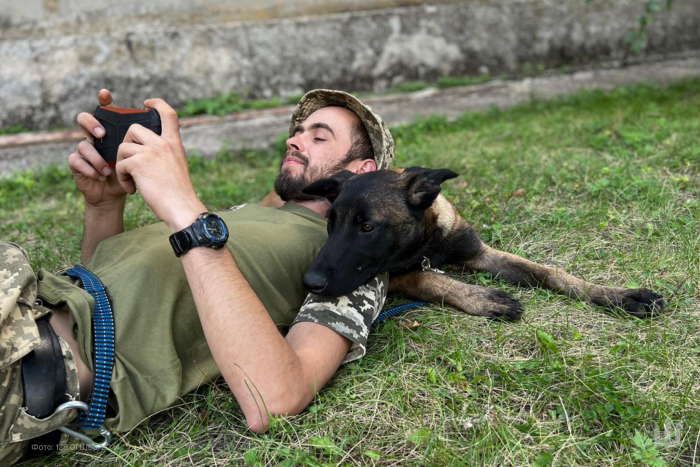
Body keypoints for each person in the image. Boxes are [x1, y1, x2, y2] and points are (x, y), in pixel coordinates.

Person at [0, 88, 395, 464]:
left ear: (362, 171)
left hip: (29, 368)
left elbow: (276, 398)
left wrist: (189, 215)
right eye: (297, 132)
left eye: (319, 137)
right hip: (25, 302)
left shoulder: (348, 259)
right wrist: (104, 206)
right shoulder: (252, 215)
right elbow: (109, 293)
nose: (294, 141)